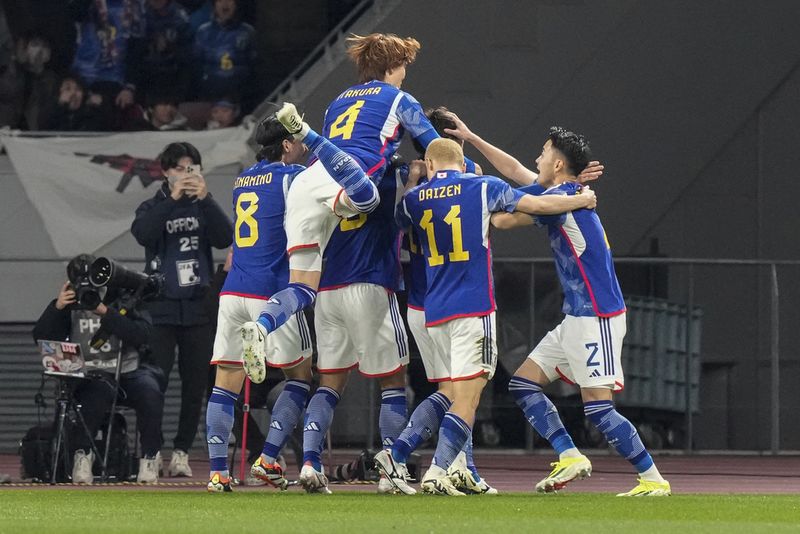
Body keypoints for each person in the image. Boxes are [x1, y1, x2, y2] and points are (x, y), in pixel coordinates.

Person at [240, 32, 458, 392]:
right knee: (370, 199)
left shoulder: (338, 101)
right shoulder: (399, 98)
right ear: (392, 65)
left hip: (309, 183)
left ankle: (263, 324)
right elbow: (434, 145)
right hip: (349, 182)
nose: (405, 73)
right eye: (403, 65)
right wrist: (457, 169)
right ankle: (307, 135)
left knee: (302, 288)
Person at [394, 138, 596, 495]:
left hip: (434, 309)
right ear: (461, 161)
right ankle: (437, 471)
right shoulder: (482, 186)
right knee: (469, 399)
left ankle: (414, 461)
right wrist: (578, 199)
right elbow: (535, 202)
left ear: (430, 162)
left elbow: (398, 220)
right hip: (472, 307)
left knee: (452, 395)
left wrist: (413, 181)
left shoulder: (413, 199)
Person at [485, 127, 672, 497]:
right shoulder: (566, 194)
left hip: (596, 316)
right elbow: (519, 173)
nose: (536, 159)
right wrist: (473, 137)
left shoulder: (562, 200)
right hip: (576, 316)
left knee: (599, 410)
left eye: (542, 153)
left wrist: (485, 194)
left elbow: (503, 219)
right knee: (523, 384)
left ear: (557, 164)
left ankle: (653, 479)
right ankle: (570, 455)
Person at [205, 115, 313, 493]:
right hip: (273, 295)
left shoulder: (242, 181)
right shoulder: (292, 177)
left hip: (233, 292)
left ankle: (218, 473)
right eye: (297, 138)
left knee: (224, 386)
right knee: (301, 378)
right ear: (286, 144)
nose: (302, 144)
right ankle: (267, 460)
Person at [301, 155, 414, 495]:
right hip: (371, 283)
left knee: (328, 384)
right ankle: (391, 471)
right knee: (394, 380)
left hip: (328, 289)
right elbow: (407, 214)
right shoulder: (390, 172)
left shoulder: (321, 178)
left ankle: (309, 463)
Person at [131, 141, 233, 477]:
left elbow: (225, 237)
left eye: (191, 168)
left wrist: (205, 198)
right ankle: (151, 450)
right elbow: (143, 234)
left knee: (195, 386)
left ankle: (181, 452)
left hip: (197, 307)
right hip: (159, 308)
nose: (185, 175)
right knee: (153, 383)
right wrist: (172, 198)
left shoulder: (204, 206)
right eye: (179, 168)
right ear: (165, 171)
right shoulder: (151, 205)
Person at [31, 255, 165, 484]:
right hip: (91, 375)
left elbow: (142, 335)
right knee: (98, 393)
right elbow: (42, 339)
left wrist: (105, 311)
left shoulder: (122, 297)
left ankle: (150, 456)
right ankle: (82, 455)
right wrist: (58, 307)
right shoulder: (69, 304)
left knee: (149, 390)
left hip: (128, 371)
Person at [193, 0, 255, 103]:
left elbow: (253, 64)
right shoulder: (203, 31)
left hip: (239, 92)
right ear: (214, 5)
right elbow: (197, 64)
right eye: (220, 0)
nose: (225, 4)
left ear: (236, 4)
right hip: (210, 92)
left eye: (230, 0)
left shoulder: (247, 32)